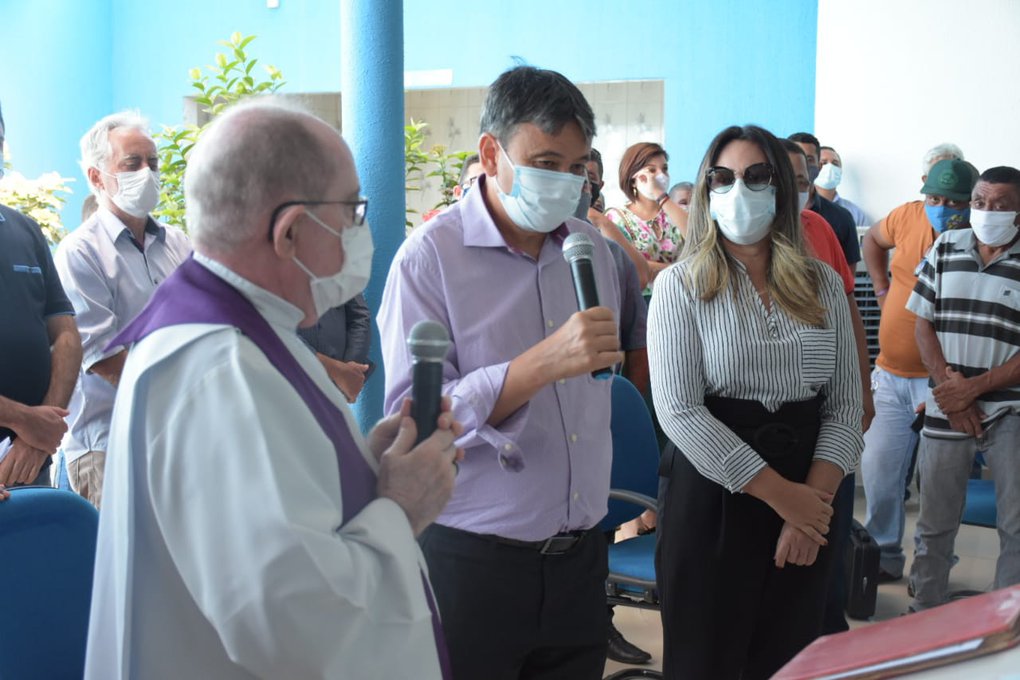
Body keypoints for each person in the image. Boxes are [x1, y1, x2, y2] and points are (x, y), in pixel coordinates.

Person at [84, 98, 461, 679]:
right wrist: (401, 509)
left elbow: (277, 500)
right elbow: (295, 621)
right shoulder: (216, 368)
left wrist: (368, 466)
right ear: (289, 234)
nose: (361, 233)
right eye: (352, 212)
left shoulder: (246, 330)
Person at [379, 65, 622, 680]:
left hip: (581, 558)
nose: (564, 183)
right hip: (474, 562)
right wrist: (536, 366)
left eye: (576, 168)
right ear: (491, 153)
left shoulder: (588, 249)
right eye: (546, 162)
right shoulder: (429, 259)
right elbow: (414, 425)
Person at [649, 124, 863, 680]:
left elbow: (844, 407)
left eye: (756, 176)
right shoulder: (680, 285)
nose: (737, 190)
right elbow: (679, 412)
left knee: (791, 656)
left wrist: (809, 509)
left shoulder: (820, 283)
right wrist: (783, 499)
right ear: (705, 190)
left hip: (812, 488)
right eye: (722, 178)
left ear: (784, 191)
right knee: (708, 659)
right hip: (716, 492)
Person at [53, 111, 191, 508]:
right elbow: (107, 360)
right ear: (97, 177)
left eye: (153, 162)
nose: (147, 173)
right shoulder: (80, 252)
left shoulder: (179, 245)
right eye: (132, 164)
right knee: (119, 569)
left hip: (177, 440)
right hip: (108, 446)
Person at [907, 166, 1020, 611]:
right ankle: (924, 616)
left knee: (1016, 525)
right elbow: (922, 324)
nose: (987, 212)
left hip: (1010, 411)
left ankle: (1005, 628)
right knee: (934, 522)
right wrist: (950, 393)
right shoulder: (946, 245)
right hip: (946, 406)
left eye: (1001, 205)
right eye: (980, 202)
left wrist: (970, 390)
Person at [860, 153, 976, 582]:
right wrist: (880, 284)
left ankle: (933, 569)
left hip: (944, 382)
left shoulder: (979, 240)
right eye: (935, 197)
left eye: (954, 201)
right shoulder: (907, 218)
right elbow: (872, 240)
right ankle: (882, 559)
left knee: (938, 484)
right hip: (890, 375)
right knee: (879, 472)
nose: (942, 207)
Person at [785, 139, 875, 634]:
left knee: (829, 533)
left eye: (805, 181)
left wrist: (862, 390)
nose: (800, 192)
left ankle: (826, 632)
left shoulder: (820, 228)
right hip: (774, 423)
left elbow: (849, 316)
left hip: (833, 411)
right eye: (789, 180)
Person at [0, 100, 81, 496]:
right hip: (27, 436)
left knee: (32, 556)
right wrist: (25, 420)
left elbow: (65, 335)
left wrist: (37, 435)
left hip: (28, 460)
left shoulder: (25, 230)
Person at [606, 142, 688, 294]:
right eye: (652, 170)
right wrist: (683, 272)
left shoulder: (674, 212)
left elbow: (699, 239)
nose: (660, 175)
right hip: (639, 304)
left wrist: (660, 195)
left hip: (680, 299)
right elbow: (629, 266)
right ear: (633, 179)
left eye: (664, 169)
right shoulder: (616, 218)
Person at [789, 132, 861, 269]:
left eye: (809, 159)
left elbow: (847, 280)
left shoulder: (842, 217)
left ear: (818, 166)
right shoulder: (767, 213)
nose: (802, 165)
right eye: (796, 159)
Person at [586, 147, 651, 289]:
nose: (583, 183)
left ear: (600, 185)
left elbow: (640, 278)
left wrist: (602, 221)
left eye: (590, 178)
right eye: (577, 172)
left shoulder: (611, 228)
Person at [298, 293, 373, 403]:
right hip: (289, 379)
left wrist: (350, 370)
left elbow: (359, 315)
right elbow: (275, 332)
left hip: (337, 391)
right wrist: (336, 370)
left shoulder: (343, 277)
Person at [815, 146, 871, 227]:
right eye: (823, 163)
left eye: (835, 163)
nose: (830, 167)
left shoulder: (855, 213)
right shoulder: (803, 207)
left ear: (840, 171)